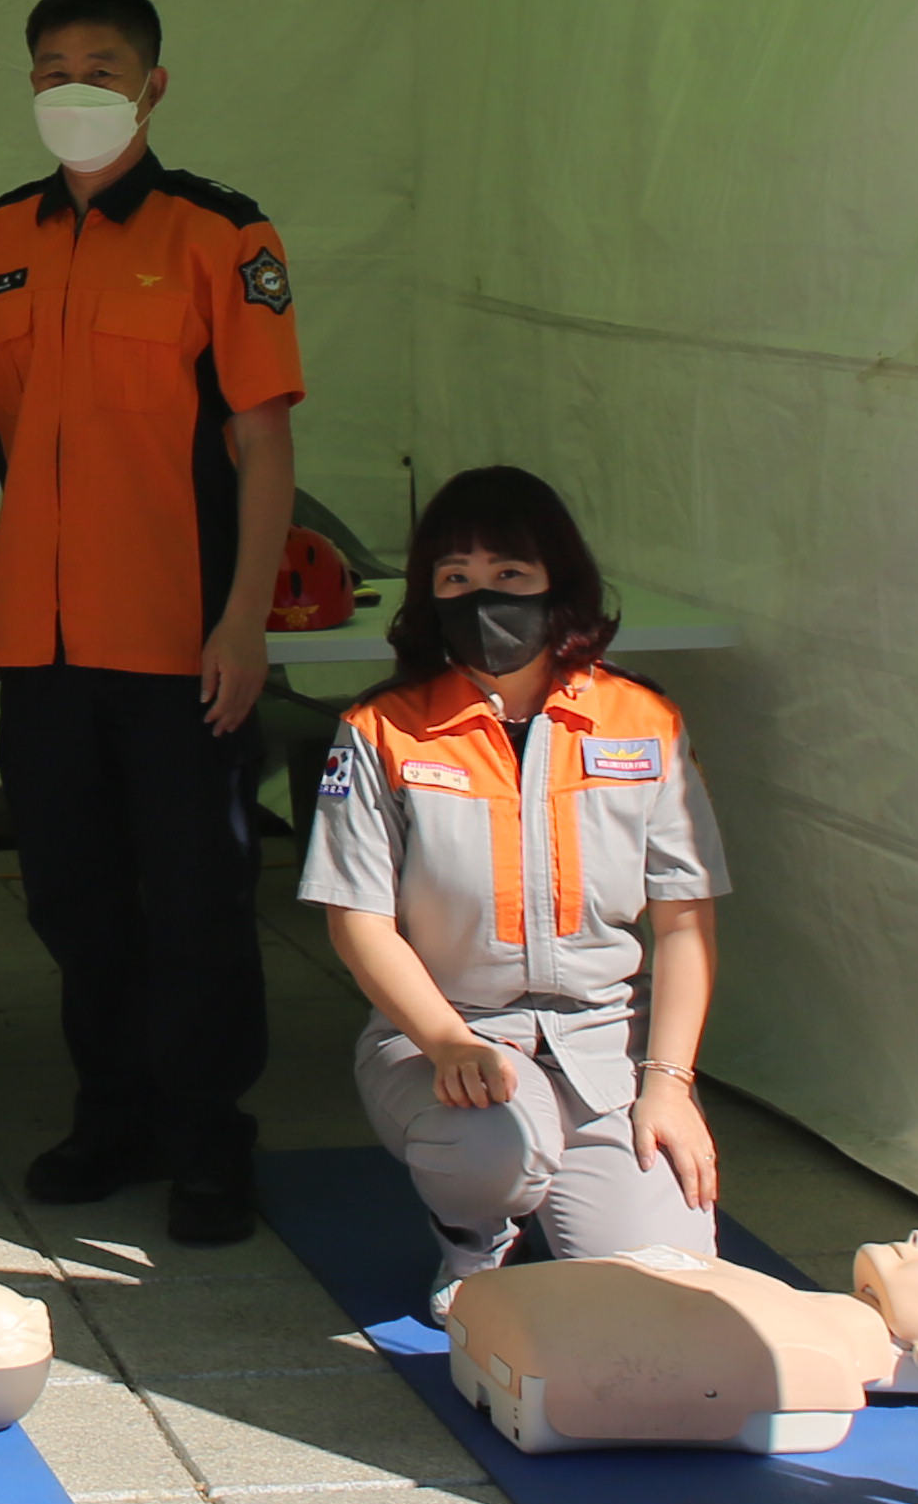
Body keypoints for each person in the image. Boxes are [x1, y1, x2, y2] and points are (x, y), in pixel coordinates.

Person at [0, 0, 305, 1243]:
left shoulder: (220, 235)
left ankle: (209, 1135)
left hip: (179, 638)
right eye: (52, 71)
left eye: (102, 69)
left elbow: (262, 442)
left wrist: (244, 620)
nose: (73, 90)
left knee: (195, 898)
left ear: (153, 86)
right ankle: (113, 1111)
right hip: (41, 639)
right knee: (70, 893)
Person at [297, 470, 723, 1315]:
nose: (482, 597)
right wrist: (448, 1042)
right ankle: (472, 1237)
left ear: (558, 582)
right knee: (490, 1148)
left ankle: (571, 1175)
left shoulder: (643, 720)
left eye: (510, 574)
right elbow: (358, 921)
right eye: (455, 577)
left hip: (604, 1046)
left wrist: (669, 1083)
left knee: (666, 1290)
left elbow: (685, 922)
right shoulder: (382, 727)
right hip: (446, 1035)